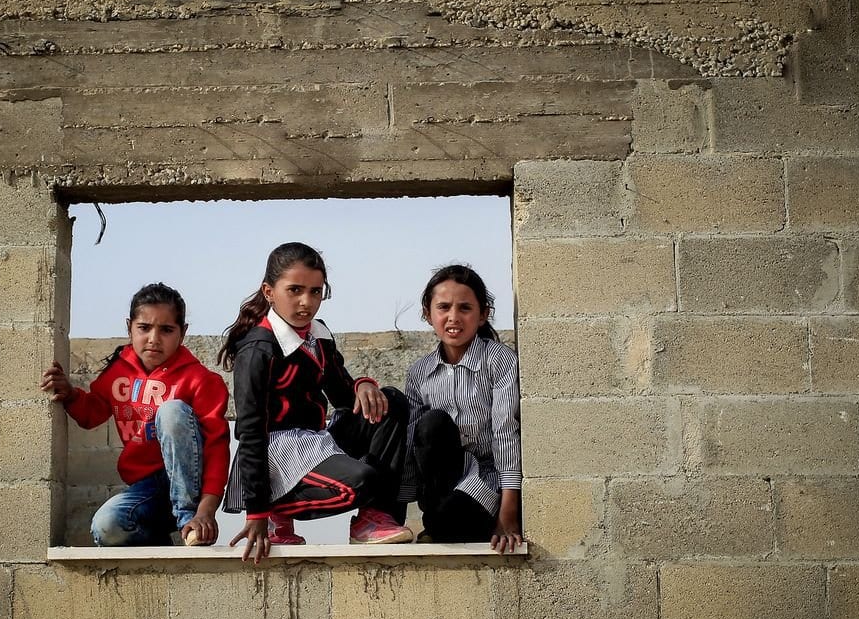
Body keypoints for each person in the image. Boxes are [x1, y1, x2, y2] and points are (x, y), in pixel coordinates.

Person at [219, 241, 413, 562]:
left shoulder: (319, 334)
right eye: (294, 290)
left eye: (315, 291)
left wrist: (363, 386)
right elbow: (251, 431)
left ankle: (371, 519)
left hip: (317, 440)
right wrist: (256, 510)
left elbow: (342, 395)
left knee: (389, 400)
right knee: (362, 482)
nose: (306, 302)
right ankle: (274, 515)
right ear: (269, 291)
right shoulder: (258, 348)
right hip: (274, 451)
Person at [41, 283, 229, 547]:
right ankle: (163, 546)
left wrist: (205, 511)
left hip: (190, 483)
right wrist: (70, 393)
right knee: (107, 527)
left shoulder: (201, 380)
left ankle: (188, 522)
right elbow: (91, 414)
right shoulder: (119, 373)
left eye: (166, 330)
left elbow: (217, 447)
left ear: (182, 333)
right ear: (129, 327)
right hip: (148, 490)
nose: (154, 338)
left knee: (172, 411)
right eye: (144, 328)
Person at [402, 265, 523, 553]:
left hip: (485, 483)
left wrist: (509, 517)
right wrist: (396, 519)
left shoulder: (499, 361)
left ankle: (440, 525)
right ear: (427, 313)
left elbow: (506, 434)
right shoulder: (420, 373)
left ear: (483, 315)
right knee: (431, 424)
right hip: (440, 486)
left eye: (465, 308)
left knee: (449, 522)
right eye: (443, 307)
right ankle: (436, 523)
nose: (453, 317)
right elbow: (412, 447)